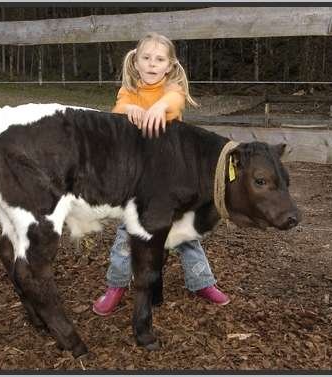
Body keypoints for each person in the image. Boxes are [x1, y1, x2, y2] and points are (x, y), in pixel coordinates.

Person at [92, 33, 230, 316]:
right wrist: (129, 108)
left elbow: (174, 103)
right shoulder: (128, 91)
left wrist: (158, 107)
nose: (152, 64)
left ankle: (201, 281)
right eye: (146, 58)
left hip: (170, 181)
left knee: (186, 235)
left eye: (159, 59)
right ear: (136, 62)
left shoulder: (173, 89)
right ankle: (116, 285)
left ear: (169, 65)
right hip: (138, 182)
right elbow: (116, 111)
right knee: (126, 236)